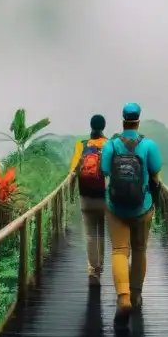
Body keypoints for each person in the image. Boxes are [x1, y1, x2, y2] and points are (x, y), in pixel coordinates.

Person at [100, 102, 162, 328]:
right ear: (138, 120)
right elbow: (156, 172)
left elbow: (105, 171)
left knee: (119, 250)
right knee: (139, 250)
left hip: (116, 207)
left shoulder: (111, 145)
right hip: (142, 207)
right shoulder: (148, 145)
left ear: (123, 119)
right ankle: (136, 295)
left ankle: (123, 298)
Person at [69, 114, 108, 286]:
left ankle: (93, 270)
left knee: (91, 234)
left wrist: (71, 195)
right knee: (101, 232)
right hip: (104, 196)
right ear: (103, 127)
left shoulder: (82, 145)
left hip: (85, 197)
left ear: (90, 126)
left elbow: (72, 171)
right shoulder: (109, 145)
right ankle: (101, 266)